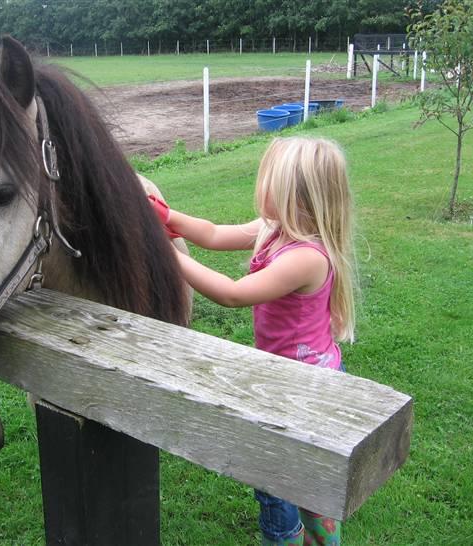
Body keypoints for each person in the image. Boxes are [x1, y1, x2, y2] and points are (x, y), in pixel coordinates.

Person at [149, 137, 356, 546]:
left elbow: (232, 293)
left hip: (304, 388)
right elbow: (211, 233)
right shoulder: (273, 229)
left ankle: (290, 538)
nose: (259, 188)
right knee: (301, 474)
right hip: (284, 376)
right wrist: (166, 215)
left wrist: (167, 254)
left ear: (298, 199)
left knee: (278, 480)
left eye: (268, 183)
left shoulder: (307, 257)